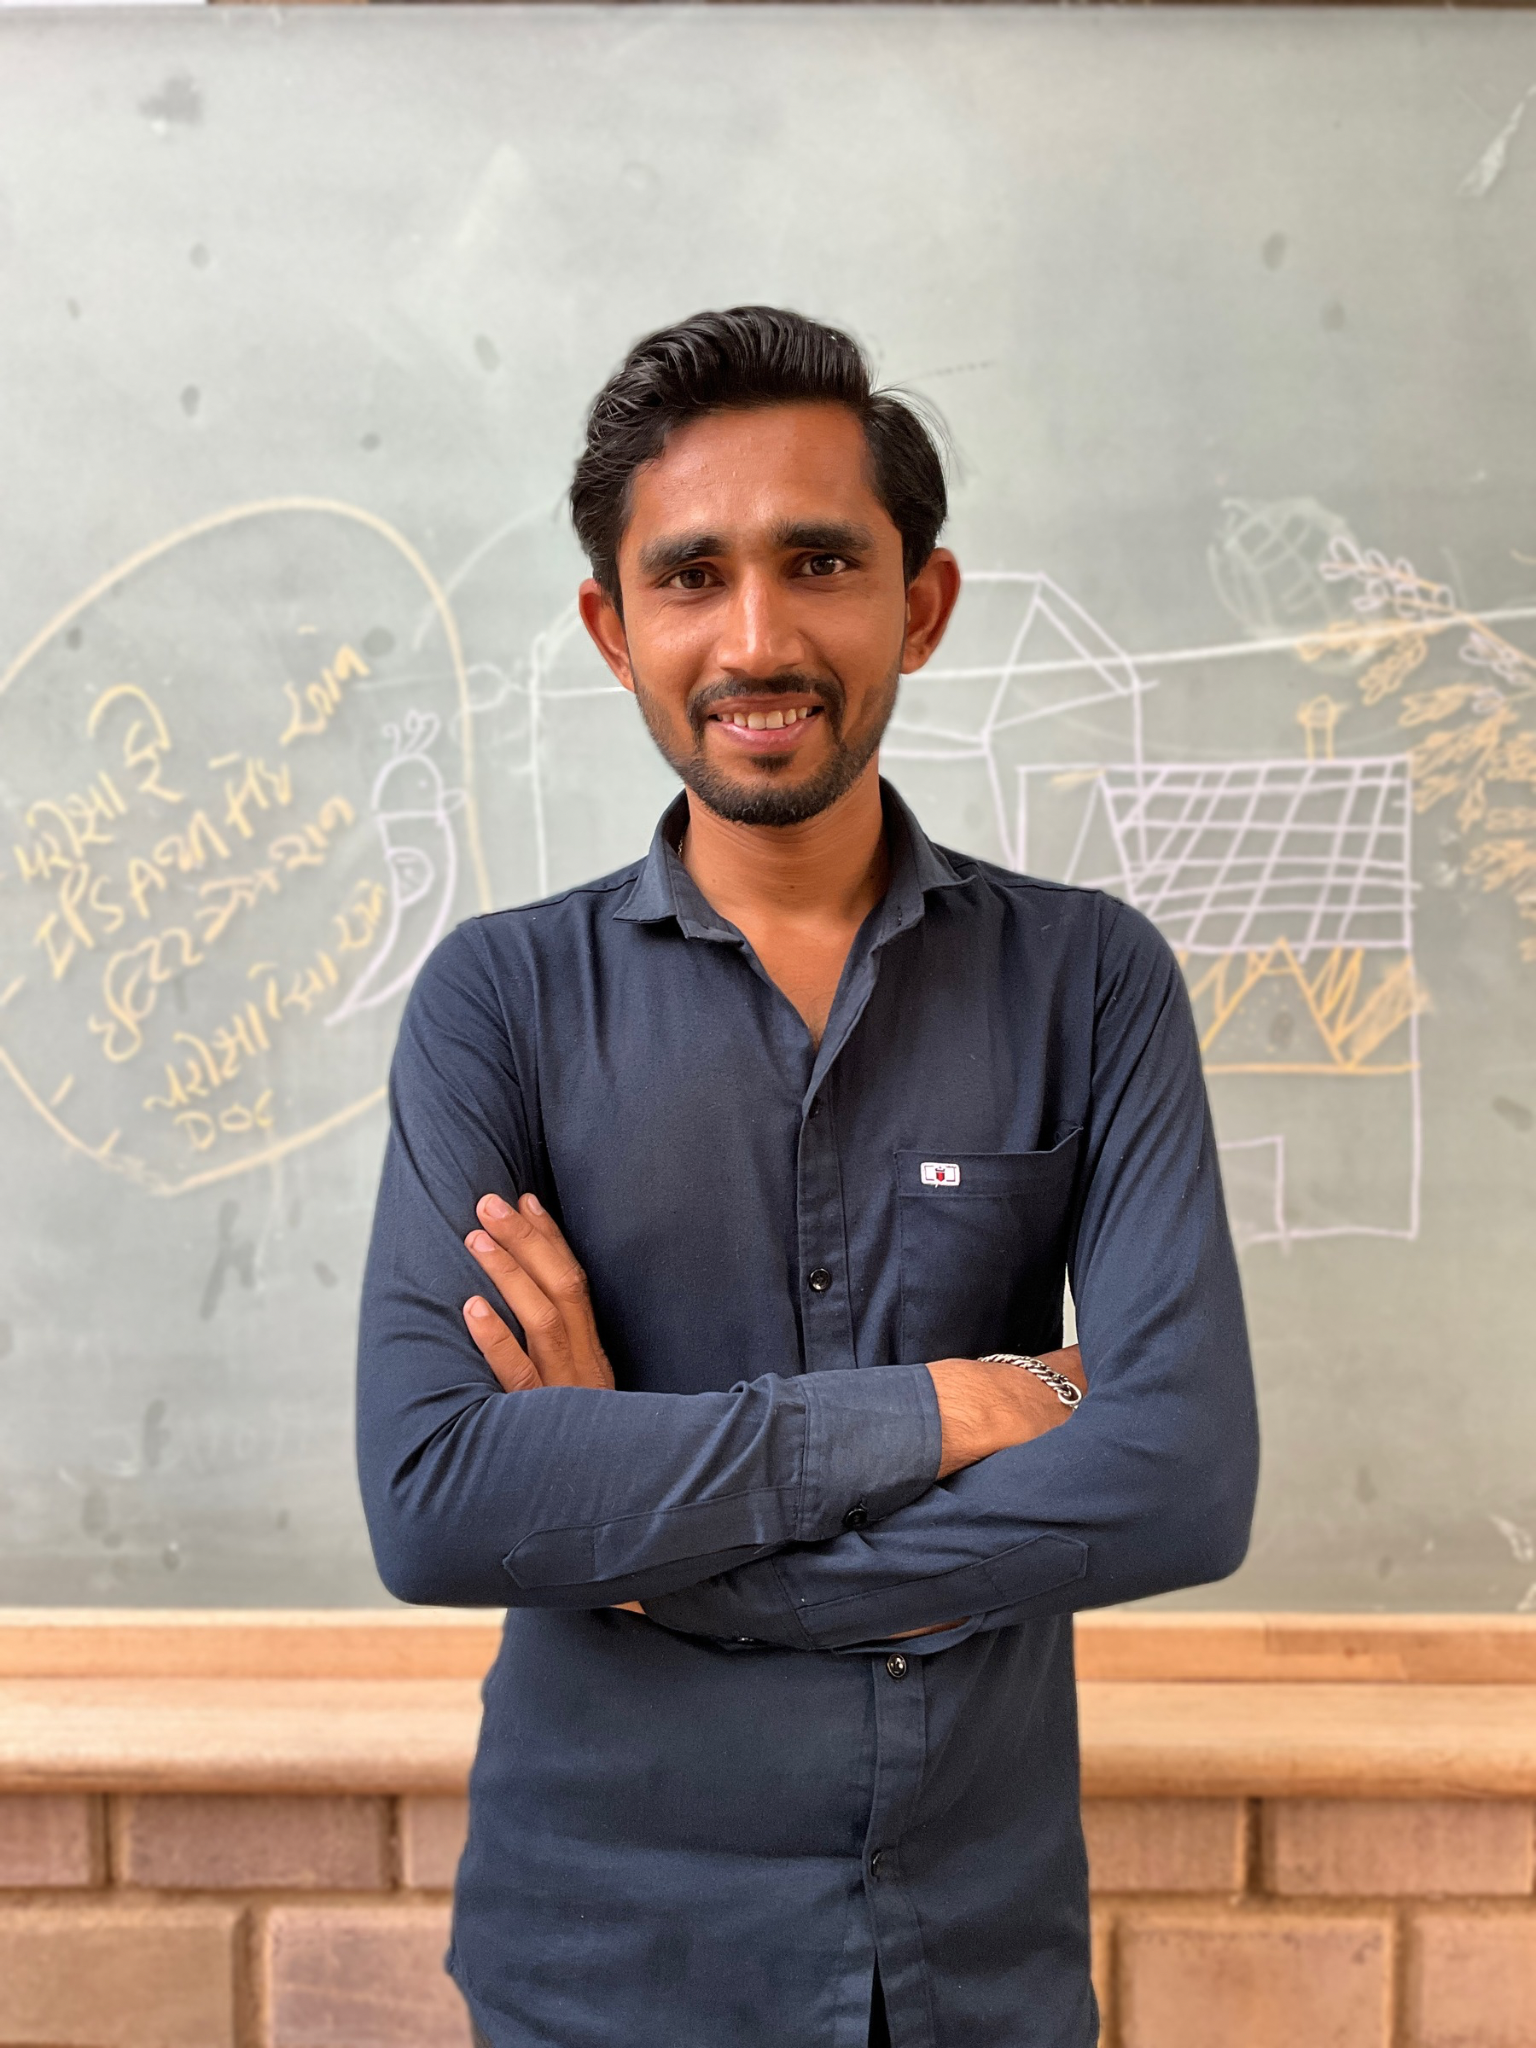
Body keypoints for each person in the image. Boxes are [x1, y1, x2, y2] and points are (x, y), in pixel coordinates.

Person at [356, 306, 1259, 2048]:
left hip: (974, 1971)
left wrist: (661, 1549)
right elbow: (441, 1496)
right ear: (615, 632)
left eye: (820, 561)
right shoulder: (501, 1002)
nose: (757, 637)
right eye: (692, 577)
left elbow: (1183, 1475)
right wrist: (959, 1404)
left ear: (918, 601)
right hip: (603, 1973)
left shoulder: (1091, 979)